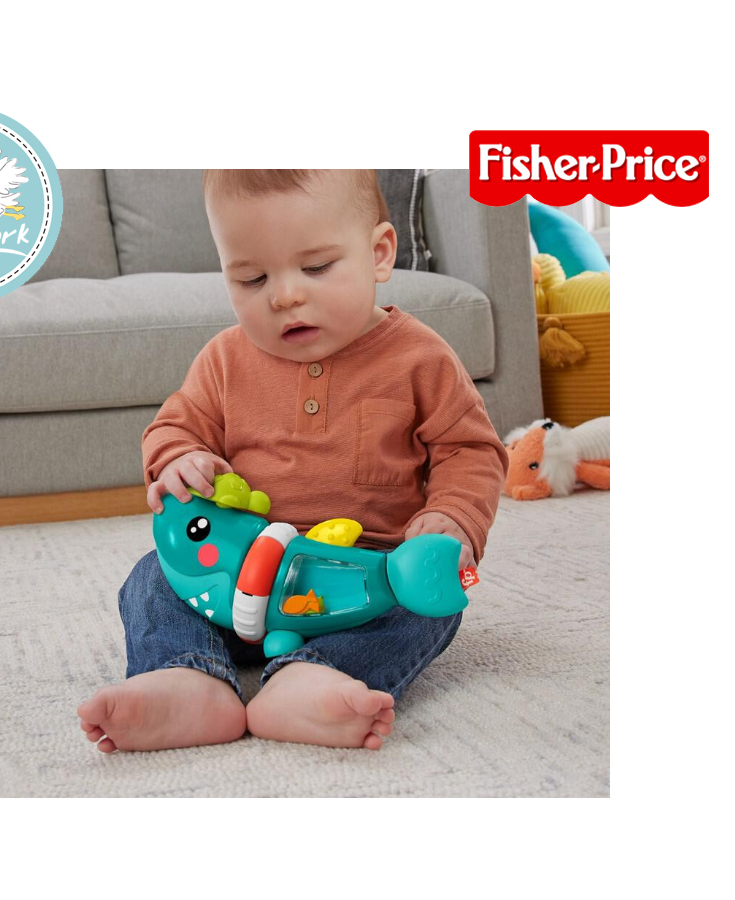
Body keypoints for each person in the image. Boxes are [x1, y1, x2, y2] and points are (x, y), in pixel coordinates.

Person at [78, 170, 508, 752]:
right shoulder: (224, 360)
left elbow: (470, 449)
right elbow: (176, 426)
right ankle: (186, 677)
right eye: (252, 278)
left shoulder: (420, 358)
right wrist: (180, 458)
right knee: (152, 578)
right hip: (230, 576)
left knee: (432, 604)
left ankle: (315, 676)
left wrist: (453, 517)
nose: (283, 296)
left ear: (380, 254)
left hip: (362, 583)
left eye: (317, 267)